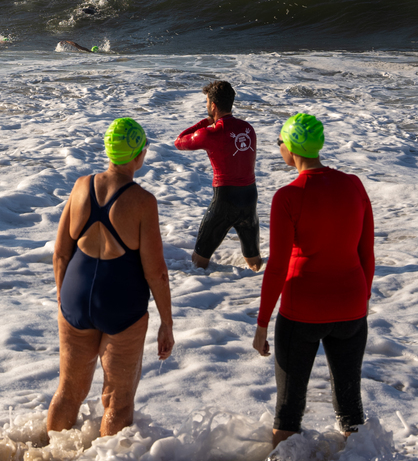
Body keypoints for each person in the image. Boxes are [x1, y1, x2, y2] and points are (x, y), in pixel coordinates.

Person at [252, 114, 374, 446]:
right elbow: (367, 255)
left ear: (290, 147)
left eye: (279, 142)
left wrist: (262, 323)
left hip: (301, 312)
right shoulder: (353, 184)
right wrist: (360, 301)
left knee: (288, 411)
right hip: (351, 308)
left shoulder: (288, 196)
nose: (278, 147)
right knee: (351, 410)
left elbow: (277, 267)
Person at [49, 119, 174, 436]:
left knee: (68, 393)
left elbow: (61, 253)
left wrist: (65, 301)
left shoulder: (81, 186)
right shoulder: (143, 202)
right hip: (121, 306)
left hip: (75, 298)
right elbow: (156, 272)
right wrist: (166, 323)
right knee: (117, 403)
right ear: (138, 156)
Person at [173, 80, 262, 271]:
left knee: (198, 262)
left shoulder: (210, 133)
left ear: (213, 105)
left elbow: (179, 141)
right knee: (256, 264)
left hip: (225, 202)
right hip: (250, 200)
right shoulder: (249, 129)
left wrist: (205, 122)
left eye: (206, 102)